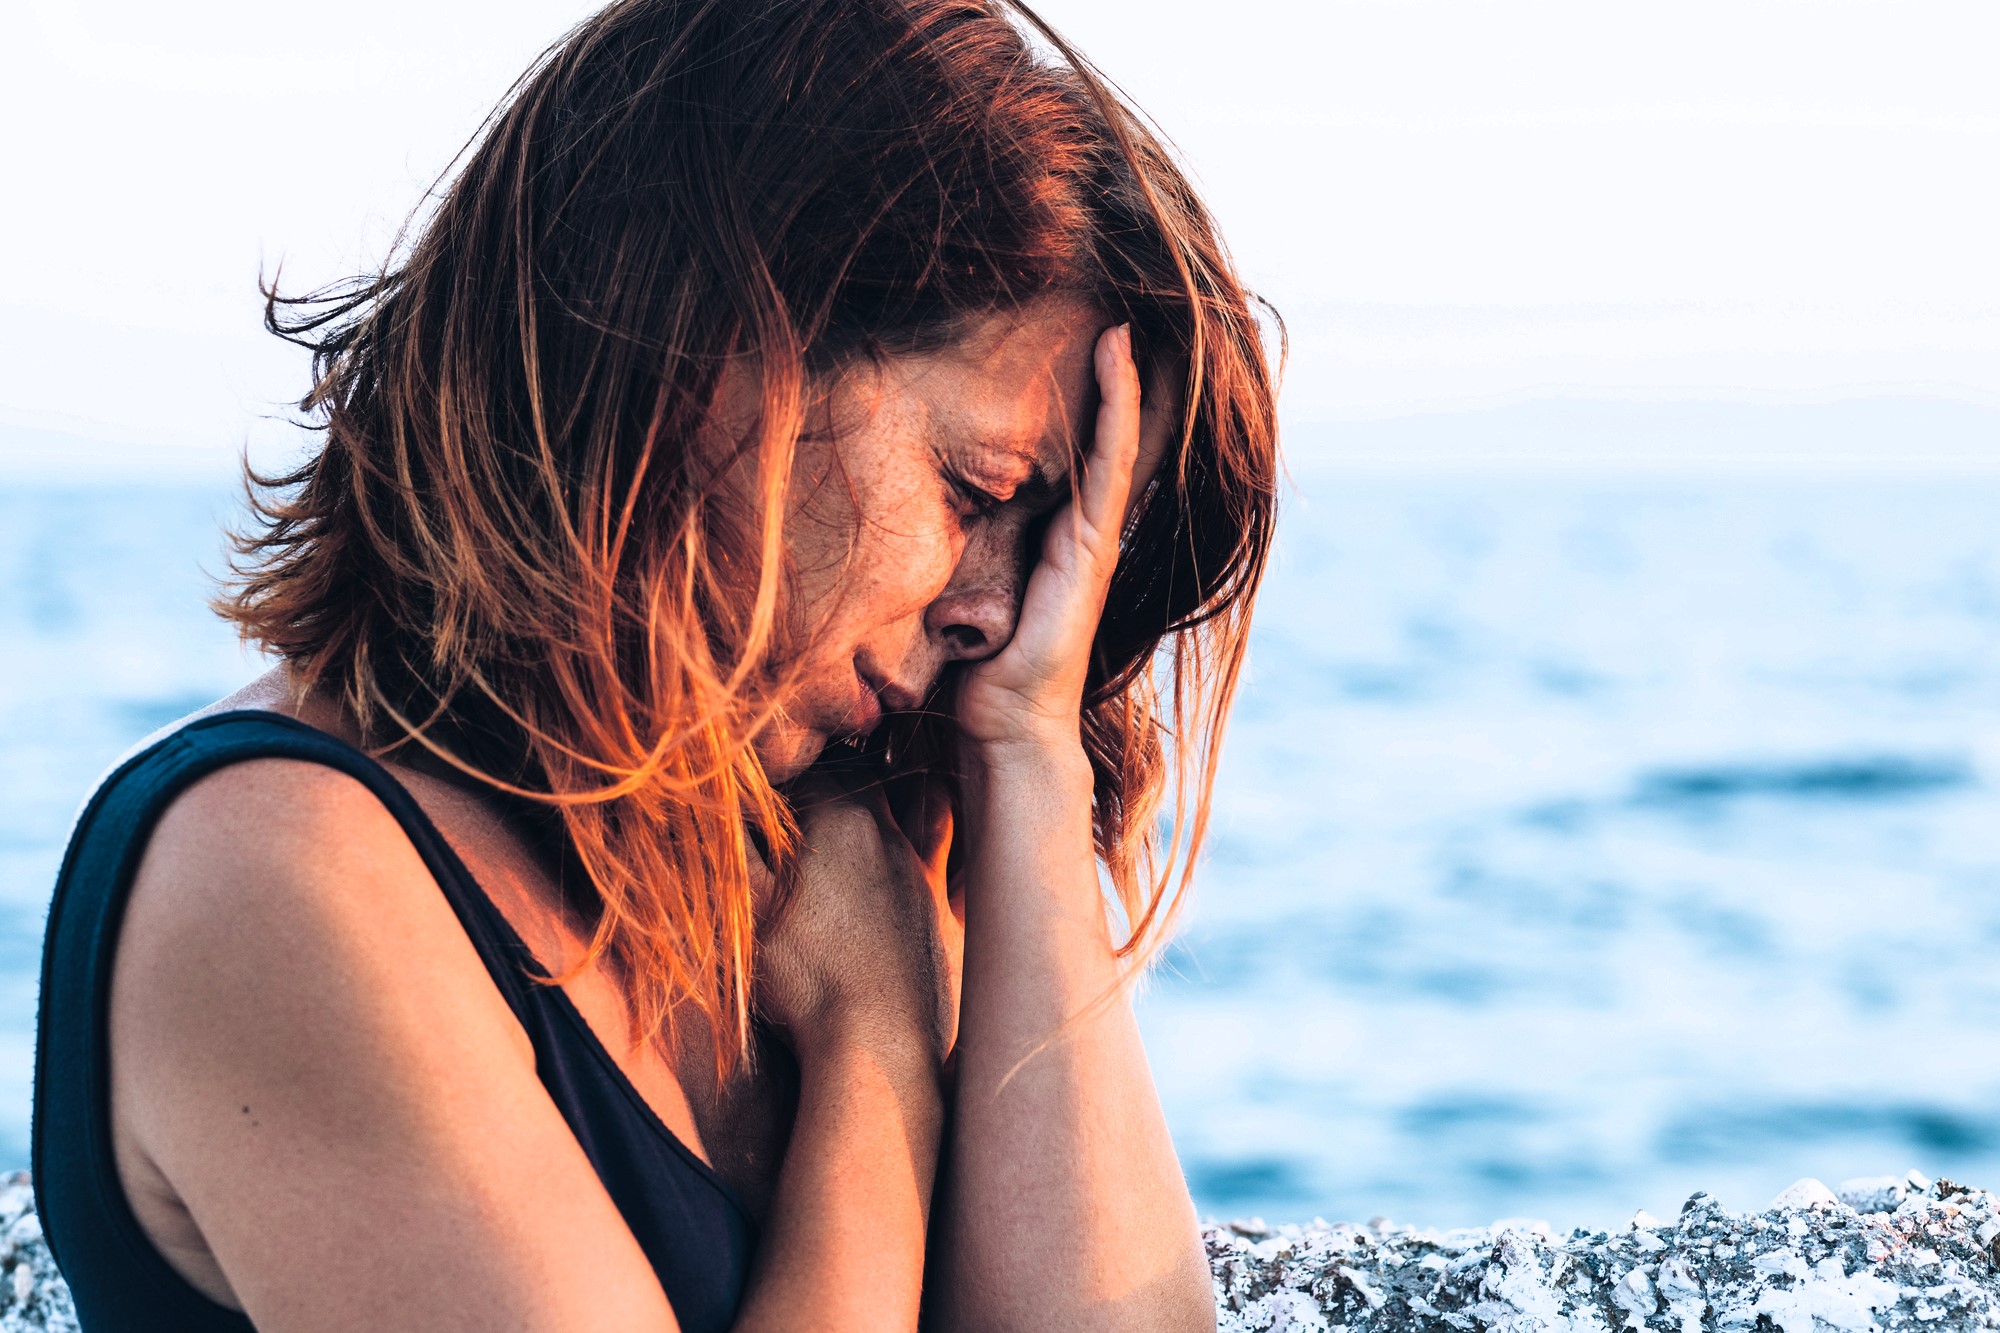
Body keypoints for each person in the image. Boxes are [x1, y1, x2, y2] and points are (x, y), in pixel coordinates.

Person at [33, 0, 1278, 1328]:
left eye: (1052, 547)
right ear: (714, 357)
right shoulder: (282, 874)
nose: (998, 612)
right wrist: (877, 1066)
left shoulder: (825, 846)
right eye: (977, 495)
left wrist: (1026, 754)